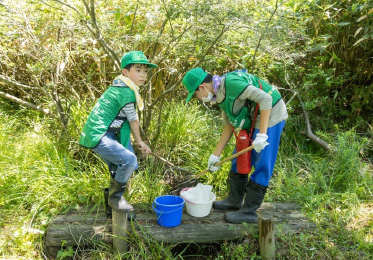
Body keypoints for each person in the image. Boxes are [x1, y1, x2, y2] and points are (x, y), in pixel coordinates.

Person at [182, 67, 288, 223]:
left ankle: (249, 211)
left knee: (262, 161)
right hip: (253, 115)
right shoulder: (219, 96)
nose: (198, 99)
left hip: (271, 113)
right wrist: (215, 155)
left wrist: (262, 135)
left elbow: (266, 99)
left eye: (196, 95)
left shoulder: (231, 84)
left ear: (202, 87)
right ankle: (234, 200)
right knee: (240, 153)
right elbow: (229, 126)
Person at [79, 51, 157, 217]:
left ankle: (113, 210)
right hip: (99, 134)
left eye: (145, 71)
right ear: (126, 72)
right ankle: (116, 199)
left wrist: (136, 142)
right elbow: (133, 120)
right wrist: (140, 142)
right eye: (138, 70)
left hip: (107, 133)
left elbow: (126, 121)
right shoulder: (126, 92)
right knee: (129, 160)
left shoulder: (123, 86)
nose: (143, 75)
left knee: (121, 167)